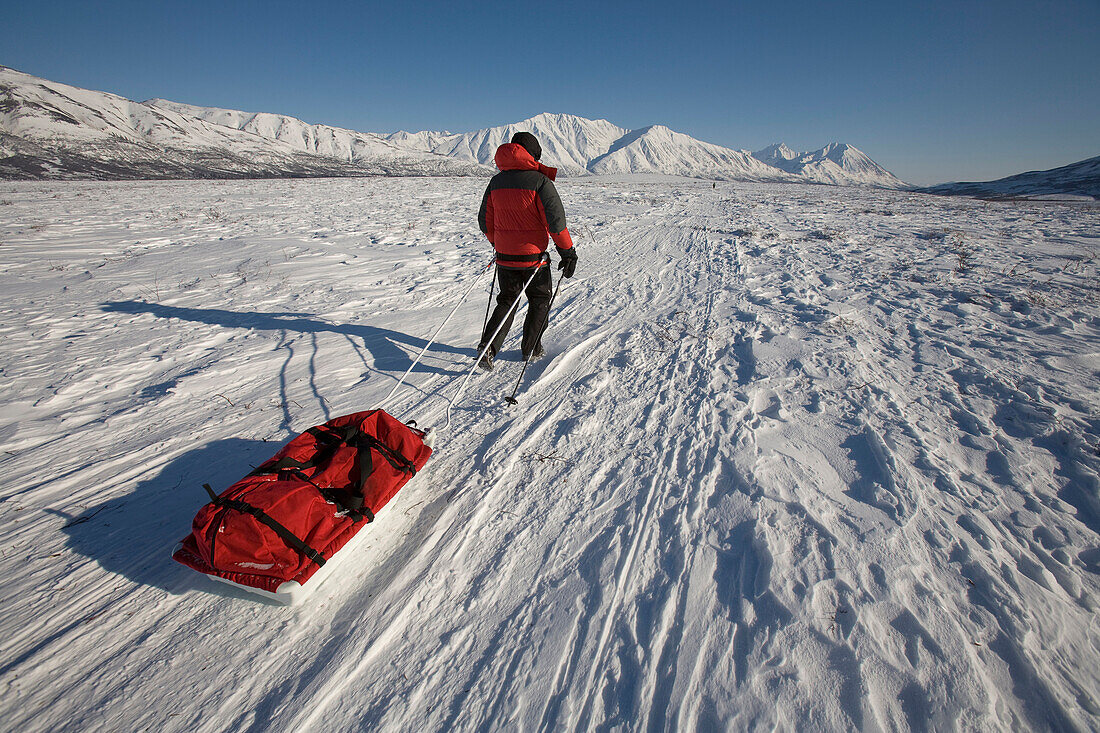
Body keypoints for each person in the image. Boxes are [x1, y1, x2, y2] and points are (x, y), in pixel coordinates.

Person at [476, 131, 577, 371]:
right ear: (533, 155)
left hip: (505, 258)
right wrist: (568, 253)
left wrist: (499, 244)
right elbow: (556, 224)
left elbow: (485, 222)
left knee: (507, 300)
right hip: (534, 260)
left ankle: (488, 348)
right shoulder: (540, 182)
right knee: (539, 300)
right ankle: (532, 349)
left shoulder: (496, 182)